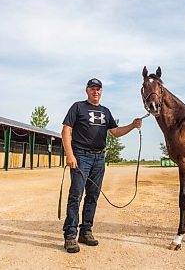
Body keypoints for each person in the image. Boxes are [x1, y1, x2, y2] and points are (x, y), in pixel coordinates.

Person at [61, 78, 142, 253]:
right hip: (80, 156)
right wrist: (70, 154)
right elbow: (66, 130)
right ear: (87, 90)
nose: (95, 91)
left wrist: (132, 125)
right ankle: (70, 236)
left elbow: (115, 132)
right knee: (76, 195)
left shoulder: (106, 112)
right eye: (92, 88)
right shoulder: (78, 107)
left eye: (98, 89)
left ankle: (86, 232)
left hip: (99, 158)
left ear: (101, 92)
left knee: (93, 196)